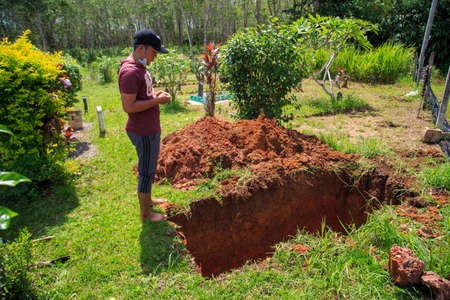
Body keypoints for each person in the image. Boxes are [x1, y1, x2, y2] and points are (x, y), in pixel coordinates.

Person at [118, 29, 170, 222]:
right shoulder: (130, 72)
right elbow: (129, 106)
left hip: (149, 128)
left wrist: (155, 97)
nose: (154, 58)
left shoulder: (140, 69)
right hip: (143, 131)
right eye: (153, 53)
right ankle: (145, 214)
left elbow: (141, 97)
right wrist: (157, 102)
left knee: (149, 168)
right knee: (146, 173)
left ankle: (148, 201)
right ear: (141, 48)